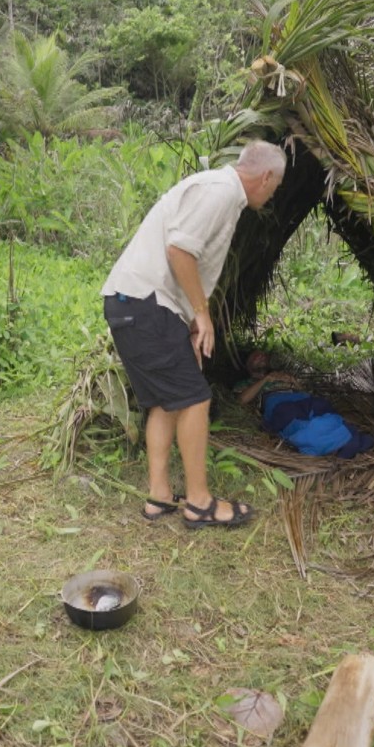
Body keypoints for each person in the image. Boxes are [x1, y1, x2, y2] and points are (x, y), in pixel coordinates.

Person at [101, 140, 287, 528]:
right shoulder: (220, 192)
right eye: (275, 186)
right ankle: (200, 504)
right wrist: (202, 315)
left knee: (167, 403)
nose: (273, 195)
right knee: (194, 399)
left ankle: (159, 497)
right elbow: (180, 251)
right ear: (266, 176)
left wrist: (183, 322)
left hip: (136, 305)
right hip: (145, 304)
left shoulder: (218, 190)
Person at [236, 350, 374, 458]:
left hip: (304, 399)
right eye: (255, 356)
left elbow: (303, 390)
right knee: (292, 417)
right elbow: (241, 400)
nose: (261, 356)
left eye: (263, 355)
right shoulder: (246, 384)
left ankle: (332, 438)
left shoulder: (280, 375)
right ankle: (343, 439)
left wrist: (294, 383)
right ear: (247, 365)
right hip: (279, 404)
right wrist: (266, 379)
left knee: (323, 407)